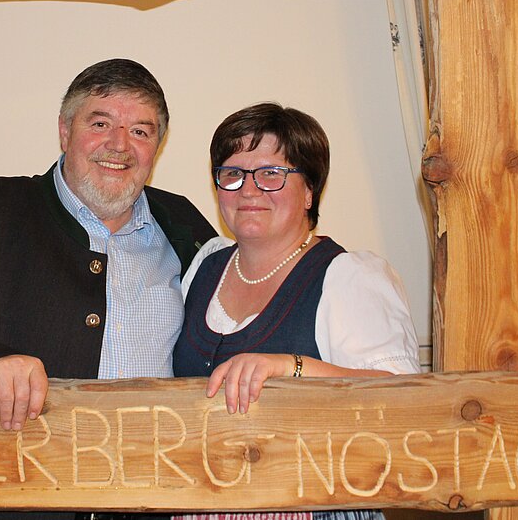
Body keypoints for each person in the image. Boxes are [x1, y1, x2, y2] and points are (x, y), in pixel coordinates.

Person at [0, 58, 218, 520]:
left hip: (154, 498)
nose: (120, 145)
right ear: (64, 131)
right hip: (0, 498)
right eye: (100, 124)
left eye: (141, 131)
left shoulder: (185, 226)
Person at [173, 103, 420, 520]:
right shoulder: (206, 265)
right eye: (233, 173)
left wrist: (291, 367)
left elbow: (406, 402)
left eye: (271, 173)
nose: (249, 190)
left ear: (309, 191)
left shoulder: (348, 276)